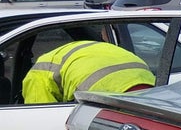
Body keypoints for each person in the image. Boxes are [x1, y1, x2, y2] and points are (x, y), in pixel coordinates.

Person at [22, 40, 155, 104]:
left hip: (111, 94)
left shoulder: (36, 76)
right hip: (147, 85)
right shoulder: (85, 49)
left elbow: (43, 117)